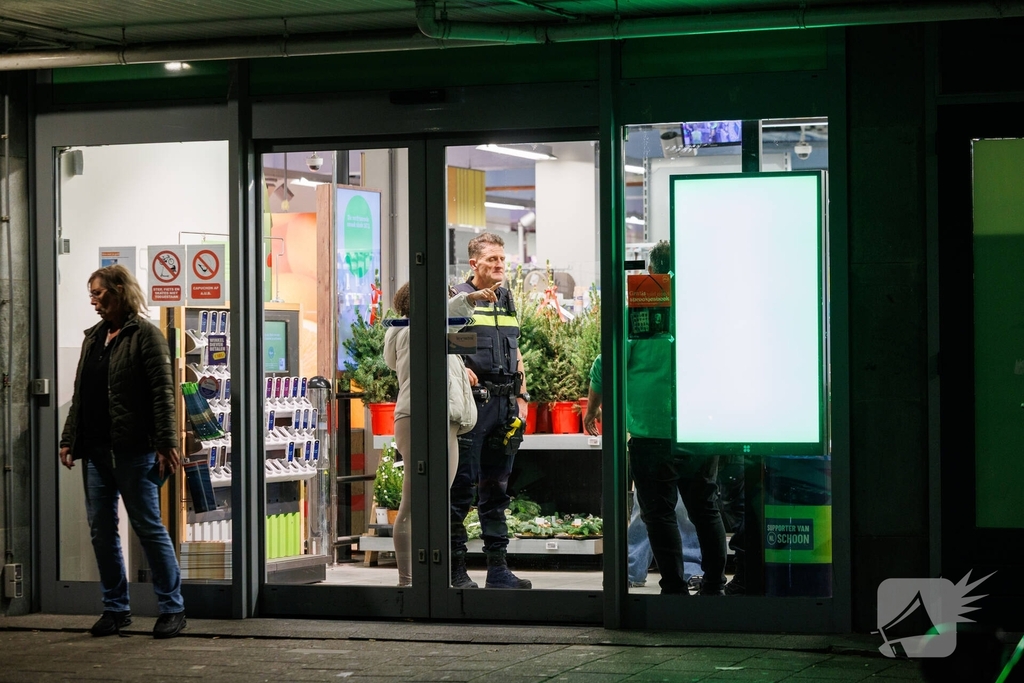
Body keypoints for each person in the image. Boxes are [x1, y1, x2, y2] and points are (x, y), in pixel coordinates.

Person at [583, 241, 727, 595]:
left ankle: (674, 588)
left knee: (659, 513)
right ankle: (713, 584)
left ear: (651, 270)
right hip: (699, 426)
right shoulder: (708, 306)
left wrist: (592, 408)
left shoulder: (642, 304)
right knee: (705, 508)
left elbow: (607, 363)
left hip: (652, 430)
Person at [59, 264, 186, 638]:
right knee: (101, 531)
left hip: (134, 450)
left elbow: (163, 394)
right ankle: (116, 608)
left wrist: (166, 443)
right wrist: (69, 438)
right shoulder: (94, 338)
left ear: (119, 292)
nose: (95, 301)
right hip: (97, 451)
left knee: (148, 528)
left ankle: (172, 608)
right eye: (92, 295)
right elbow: (81, 394)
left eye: (99, 294)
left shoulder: (145, 335)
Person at [383, 281, 496, 587]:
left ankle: (419, 580)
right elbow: (445, 317)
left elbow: (445, 345)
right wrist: (470, 297)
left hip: (424, 419)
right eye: (445, 298)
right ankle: (409, 583)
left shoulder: (416, 335)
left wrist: (462, 369)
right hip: (427, 419)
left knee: (426, 502)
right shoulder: (416, 330)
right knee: (415, 505)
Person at [449, 232, 531, 589]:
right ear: (474, 264)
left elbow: (516, 351)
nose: (499, 265)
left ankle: (498, 570)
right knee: (462, 489)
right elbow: (445, 346)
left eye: (502, 259)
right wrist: (456, 364)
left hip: (505, 405)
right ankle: (454, 569)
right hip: (473, 406)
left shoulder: (507, 299)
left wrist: (523, 394)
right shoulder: (458, 300)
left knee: (497, 490)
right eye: (492, 260)